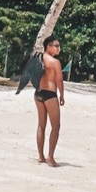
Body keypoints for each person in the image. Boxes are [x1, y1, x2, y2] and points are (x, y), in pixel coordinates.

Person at [33, 35, 65, 166]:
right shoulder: (54, 62)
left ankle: (41, 156)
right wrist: (62, 95)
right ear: (48, 47)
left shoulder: (37, 59)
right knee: (56, 126)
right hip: (50, 94)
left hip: (38, 93)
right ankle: (50, 157)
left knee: (41, 125)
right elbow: (59, 80)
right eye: (56, 46)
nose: (59, 48)